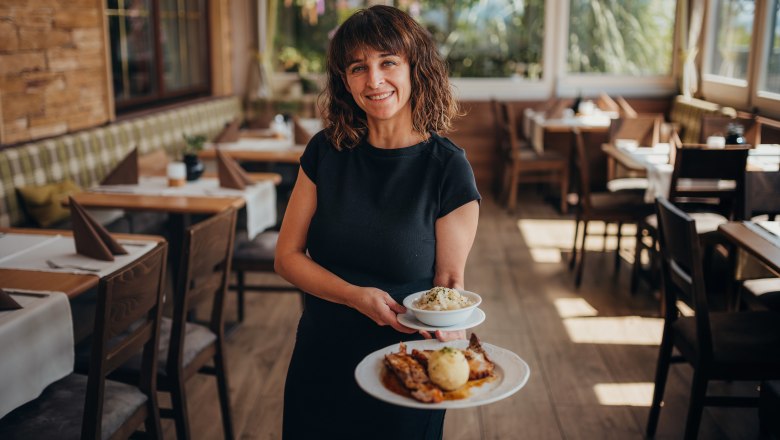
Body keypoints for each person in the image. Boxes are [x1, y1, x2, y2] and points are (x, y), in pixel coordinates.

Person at [274, 5, 480, 439]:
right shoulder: (324, 153)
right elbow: (287, 257)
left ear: (415, 68)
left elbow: (448, 282)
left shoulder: (448, 168)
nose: (374, 80)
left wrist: (453, 333)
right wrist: (353, 296)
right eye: (357, 67)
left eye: (388, 62)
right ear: (344, 81)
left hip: (406, 365)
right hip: (322, 356)